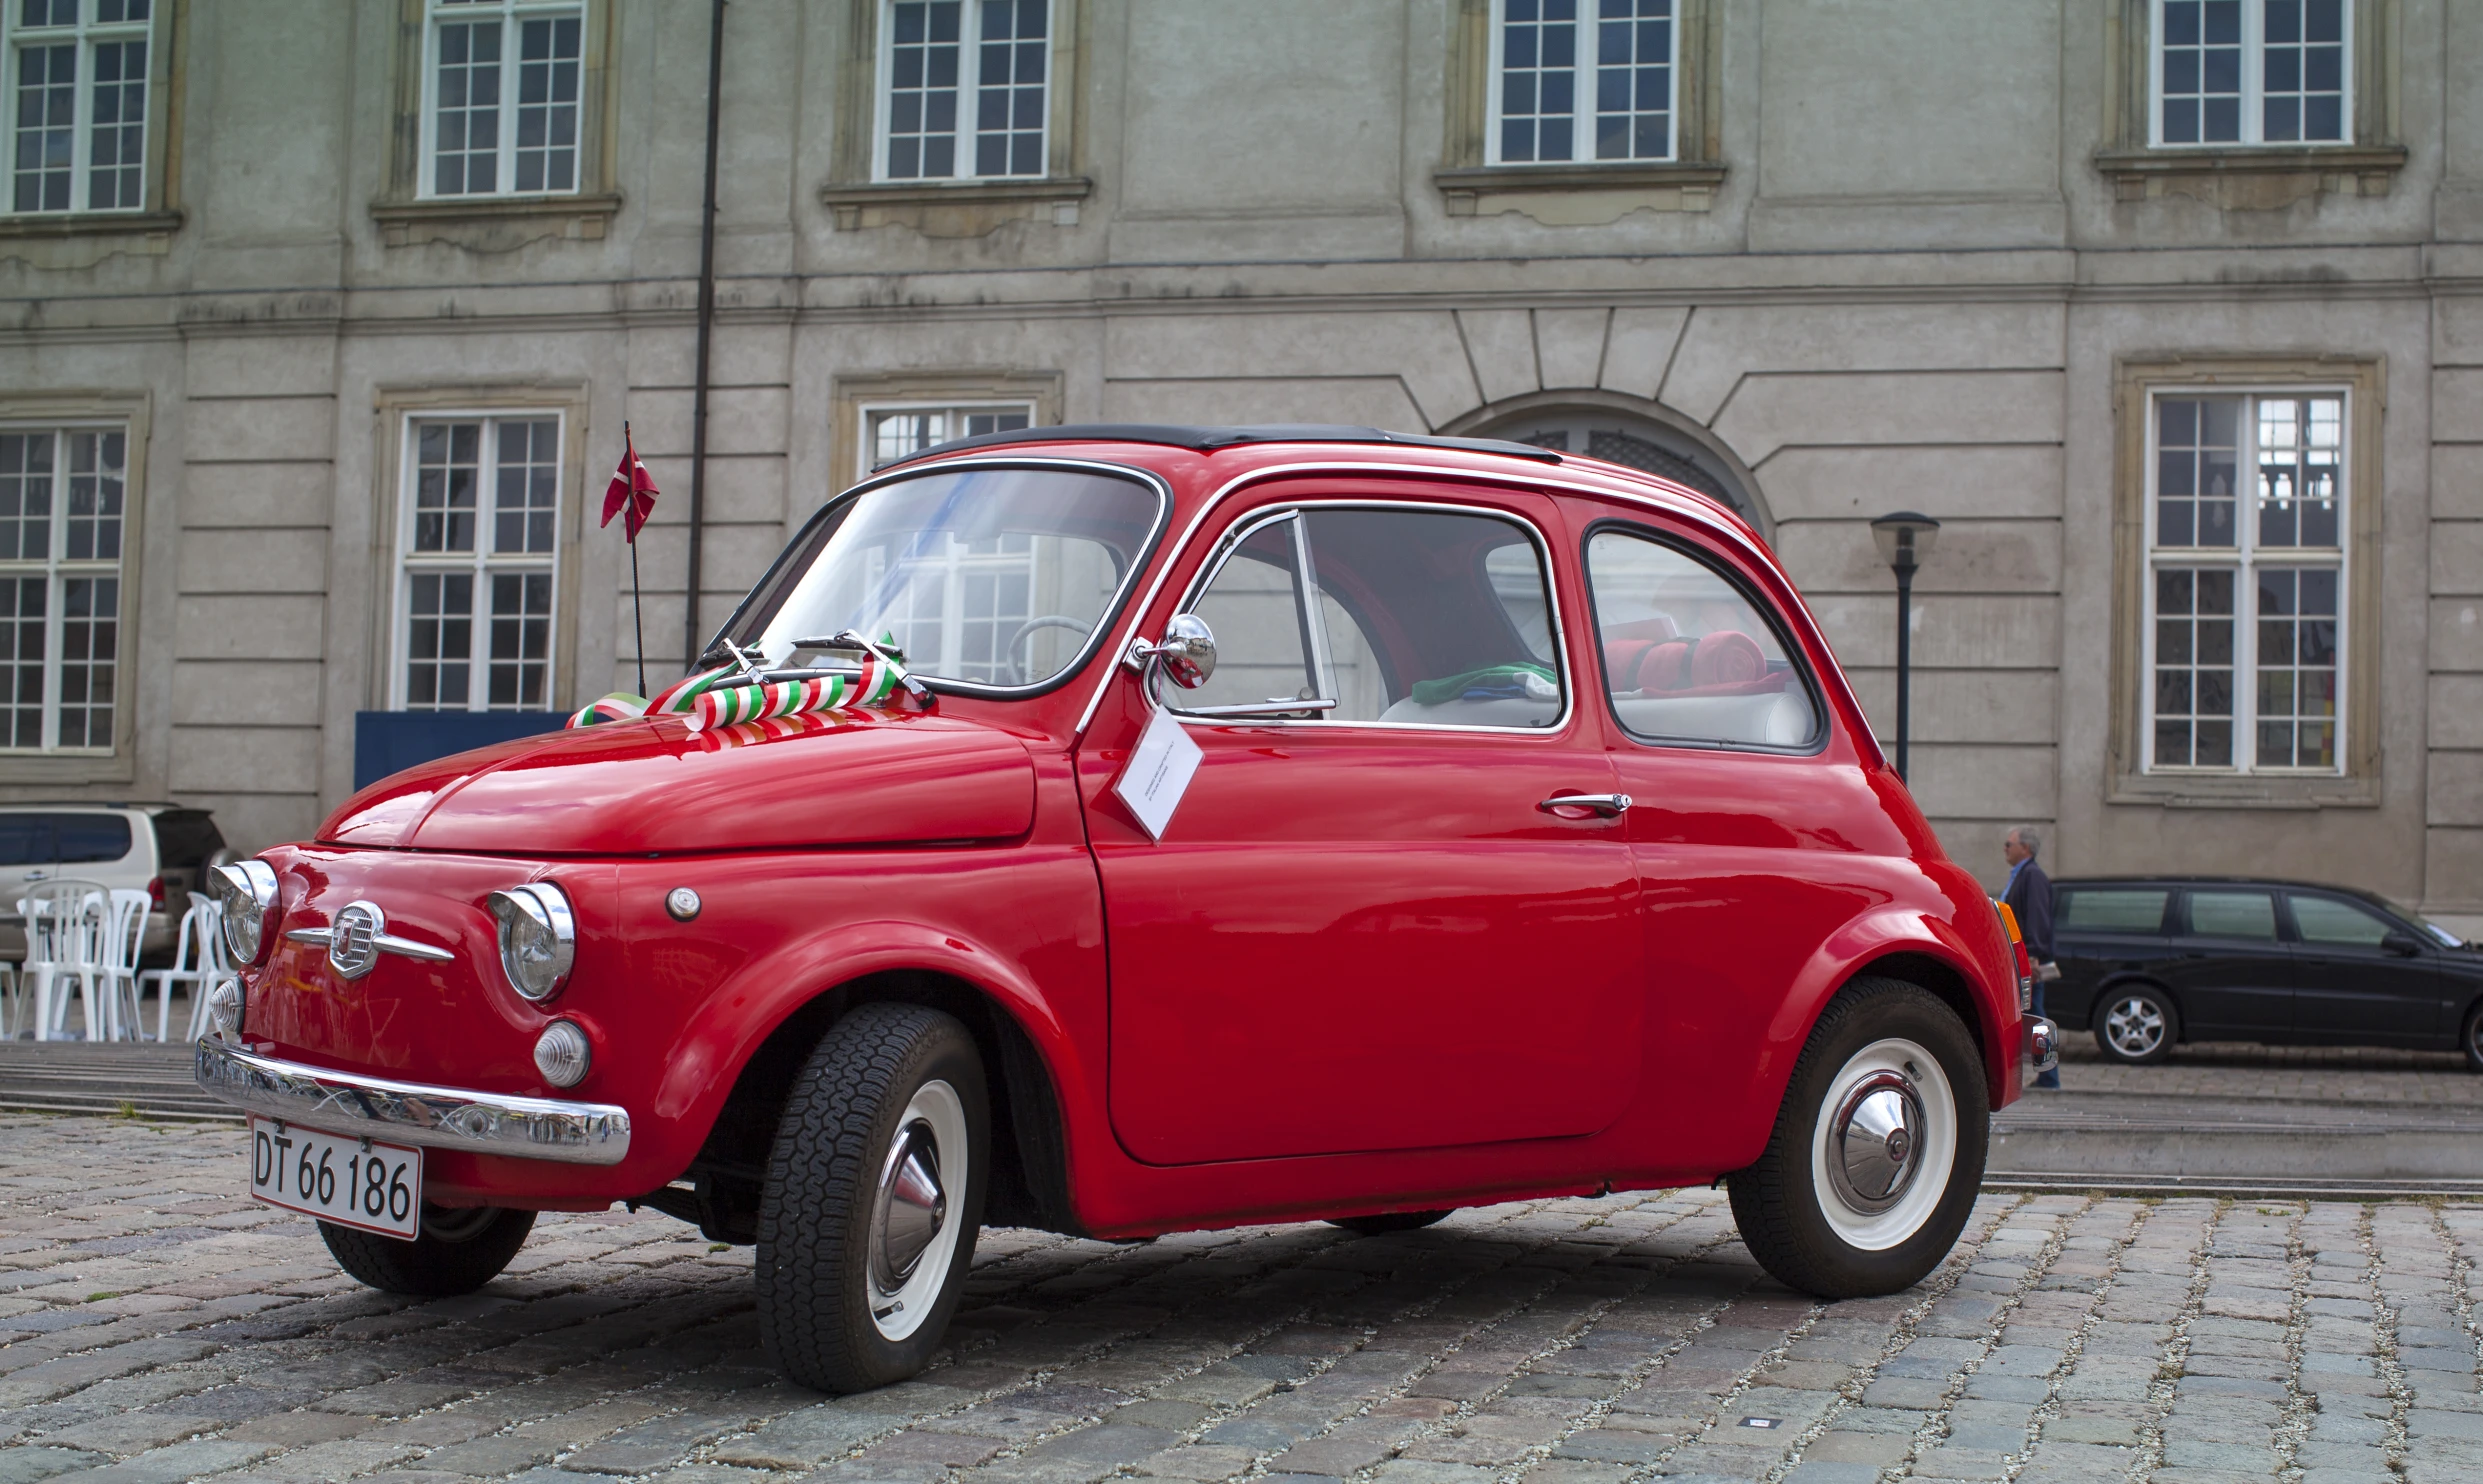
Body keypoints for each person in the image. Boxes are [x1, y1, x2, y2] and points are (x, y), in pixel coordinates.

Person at [2003, 825, 2058, 1089]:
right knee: (2034, 1014)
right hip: (2022, 959)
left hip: (2029, 960)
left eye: (2009, 844)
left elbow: (2037, 917)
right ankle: (2046, 1075)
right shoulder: (2022, 874)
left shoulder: (2032, 875)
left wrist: (2033, 954)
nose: (2005, 849)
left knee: (2037, 1015)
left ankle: (2049, 1076)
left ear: (2025, 848)